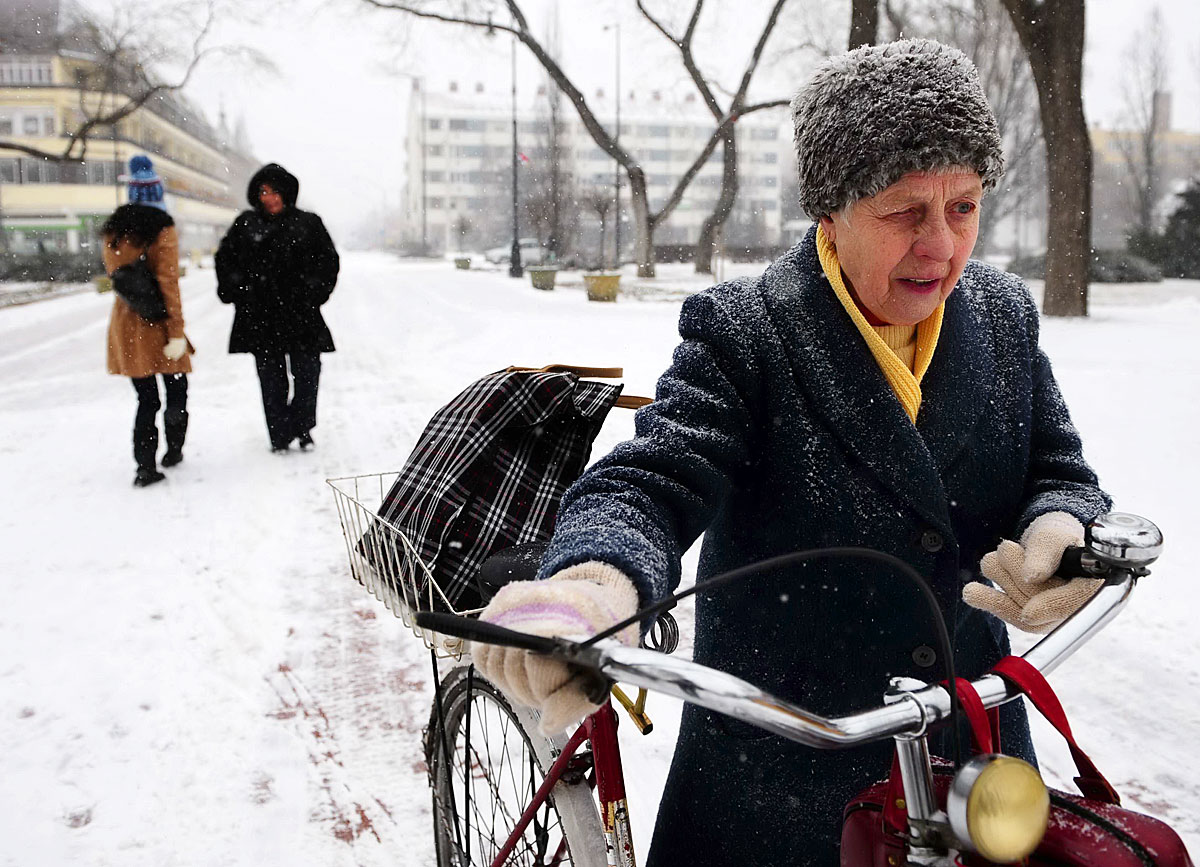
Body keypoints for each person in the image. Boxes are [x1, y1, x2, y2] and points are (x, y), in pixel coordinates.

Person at [471, 39, 1112, 866]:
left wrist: (1064, 525)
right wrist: (593, 579)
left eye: (964, 206)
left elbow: (1056, 468)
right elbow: (652, 477)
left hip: (973, 767)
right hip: (782, 788)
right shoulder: (748, 333)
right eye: (905, 211)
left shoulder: (1000, 314)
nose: (943, 246)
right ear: (831, 211)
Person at [215, 163, 339, 452]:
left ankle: (302, 425)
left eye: (274, 191)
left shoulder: (308, 223)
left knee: (308, 375)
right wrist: (240, 291)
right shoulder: (246, 224)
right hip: (260, 317)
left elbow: (328, 262)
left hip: (301, 314)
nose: (269, 198)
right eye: (263, 192)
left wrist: (314, 292)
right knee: (271, 381)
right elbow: (225, 260)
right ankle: (279, 434)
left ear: (287, 193)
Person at [103, 158, 192, 487]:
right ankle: (174, 450)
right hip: (159, 322)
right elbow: (168, 283)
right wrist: (177, 332)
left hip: (127, 323)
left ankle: (145, 466)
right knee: (177, 389)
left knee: (146, 399)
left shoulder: (115, 230)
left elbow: (117, 277)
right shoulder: (162, 228)